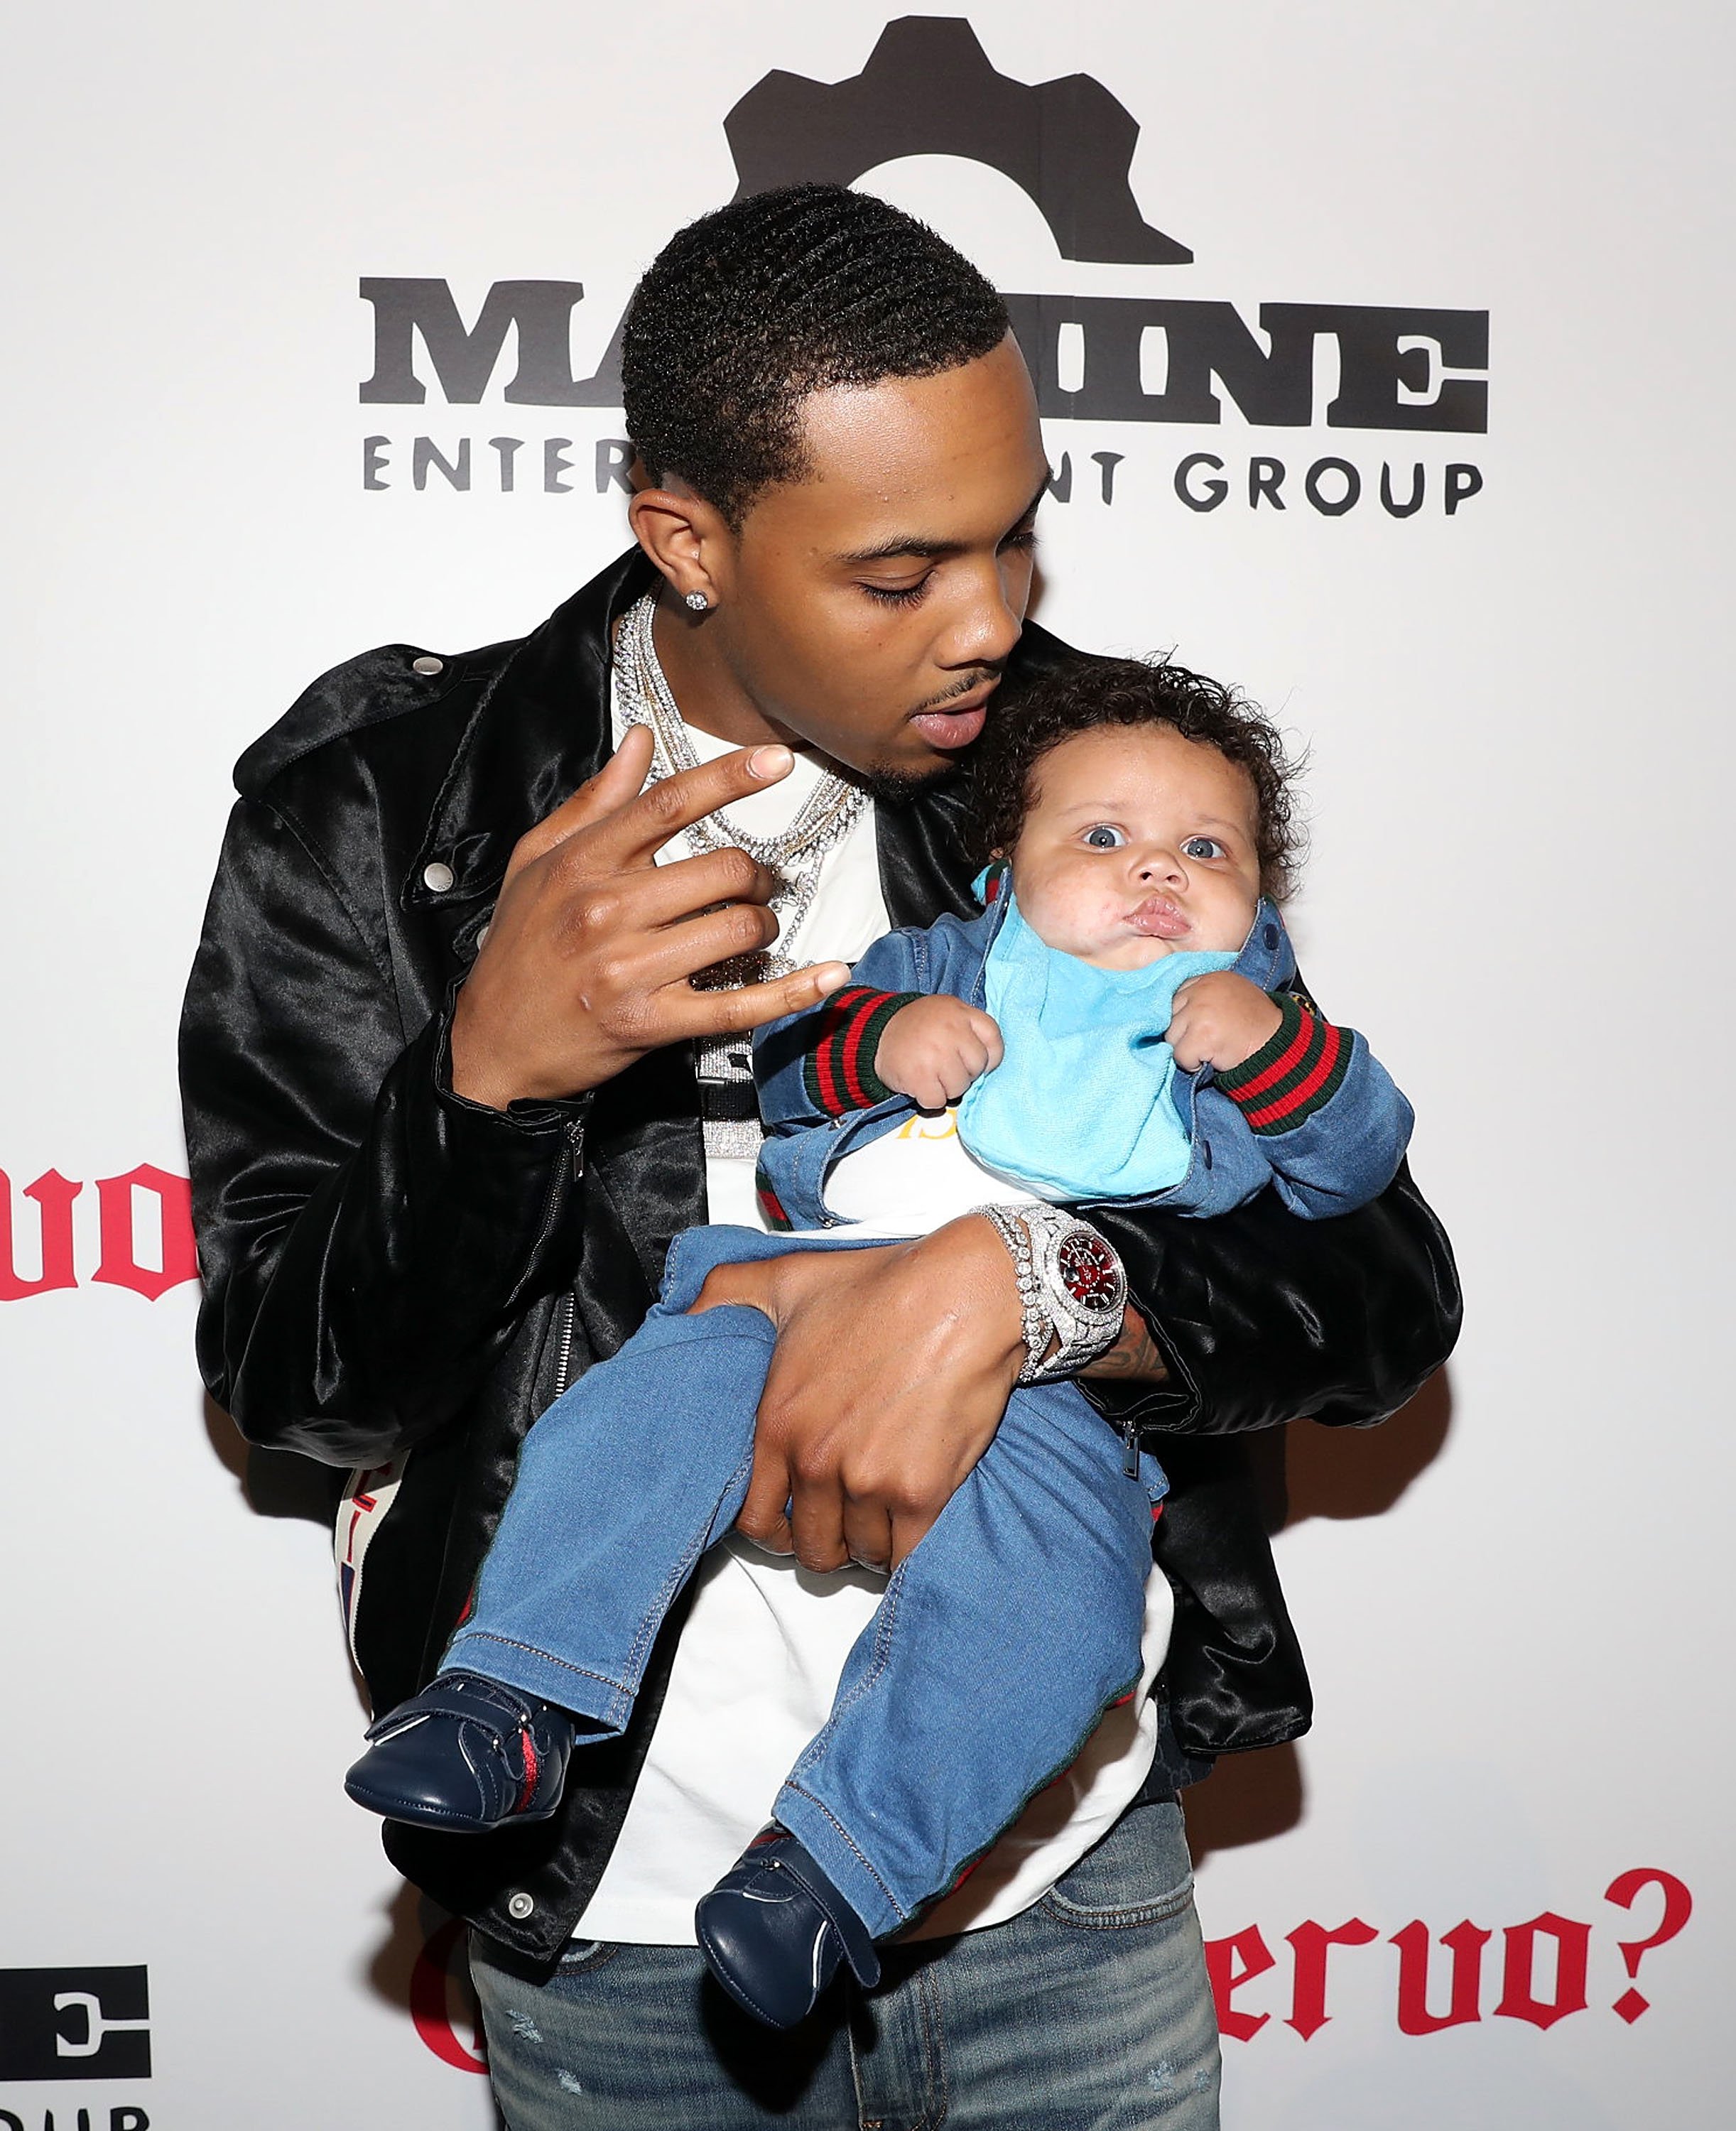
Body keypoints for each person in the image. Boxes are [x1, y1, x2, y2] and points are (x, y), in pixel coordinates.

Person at [181, 183, 1459, 2130]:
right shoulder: (378, 822)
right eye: (898, 574)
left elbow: (1374, 1288)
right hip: (613, 1927)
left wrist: (1038, 1288)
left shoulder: (1083, 788)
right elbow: (296, 1388)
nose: (994, 621)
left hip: (1056, 1898)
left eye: (1015, 534)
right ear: (686, 538)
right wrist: (491, 1076)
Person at [342, 657, 1415, 2037]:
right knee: (635, 1421)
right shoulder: (940, 963)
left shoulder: (1247, 1023)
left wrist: (1277, 1056)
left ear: (1255, 899)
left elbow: (1359, 1183)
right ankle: (512, 1699)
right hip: (790, 1283)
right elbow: (786, 1073)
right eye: (1102, 840)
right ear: (999, 870)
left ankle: (834, 1871)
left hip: (1059, 1397)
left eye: (1203, 851)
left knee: (1058, 1612)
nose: (1156, 872)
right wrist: (885, 1037)